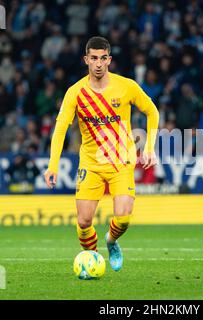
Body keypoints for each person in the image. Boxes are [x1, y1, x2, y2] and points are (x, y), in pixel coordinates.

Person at [44, 36, 159, 272]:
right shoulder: (75, 92)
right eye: (93, 58)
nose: (98, 63)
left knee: (124, 217)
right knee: (84, 221)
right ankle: (93, 258)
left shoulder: (126, 86)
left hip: (121, 162)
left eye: (103, 58)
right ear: (86, 59)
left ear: (109, 60)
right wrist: (52, 166)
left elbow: (152, 112)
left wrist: (149, 148)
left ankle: (111, 241)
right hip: (91, 163)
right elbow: (60, 129)